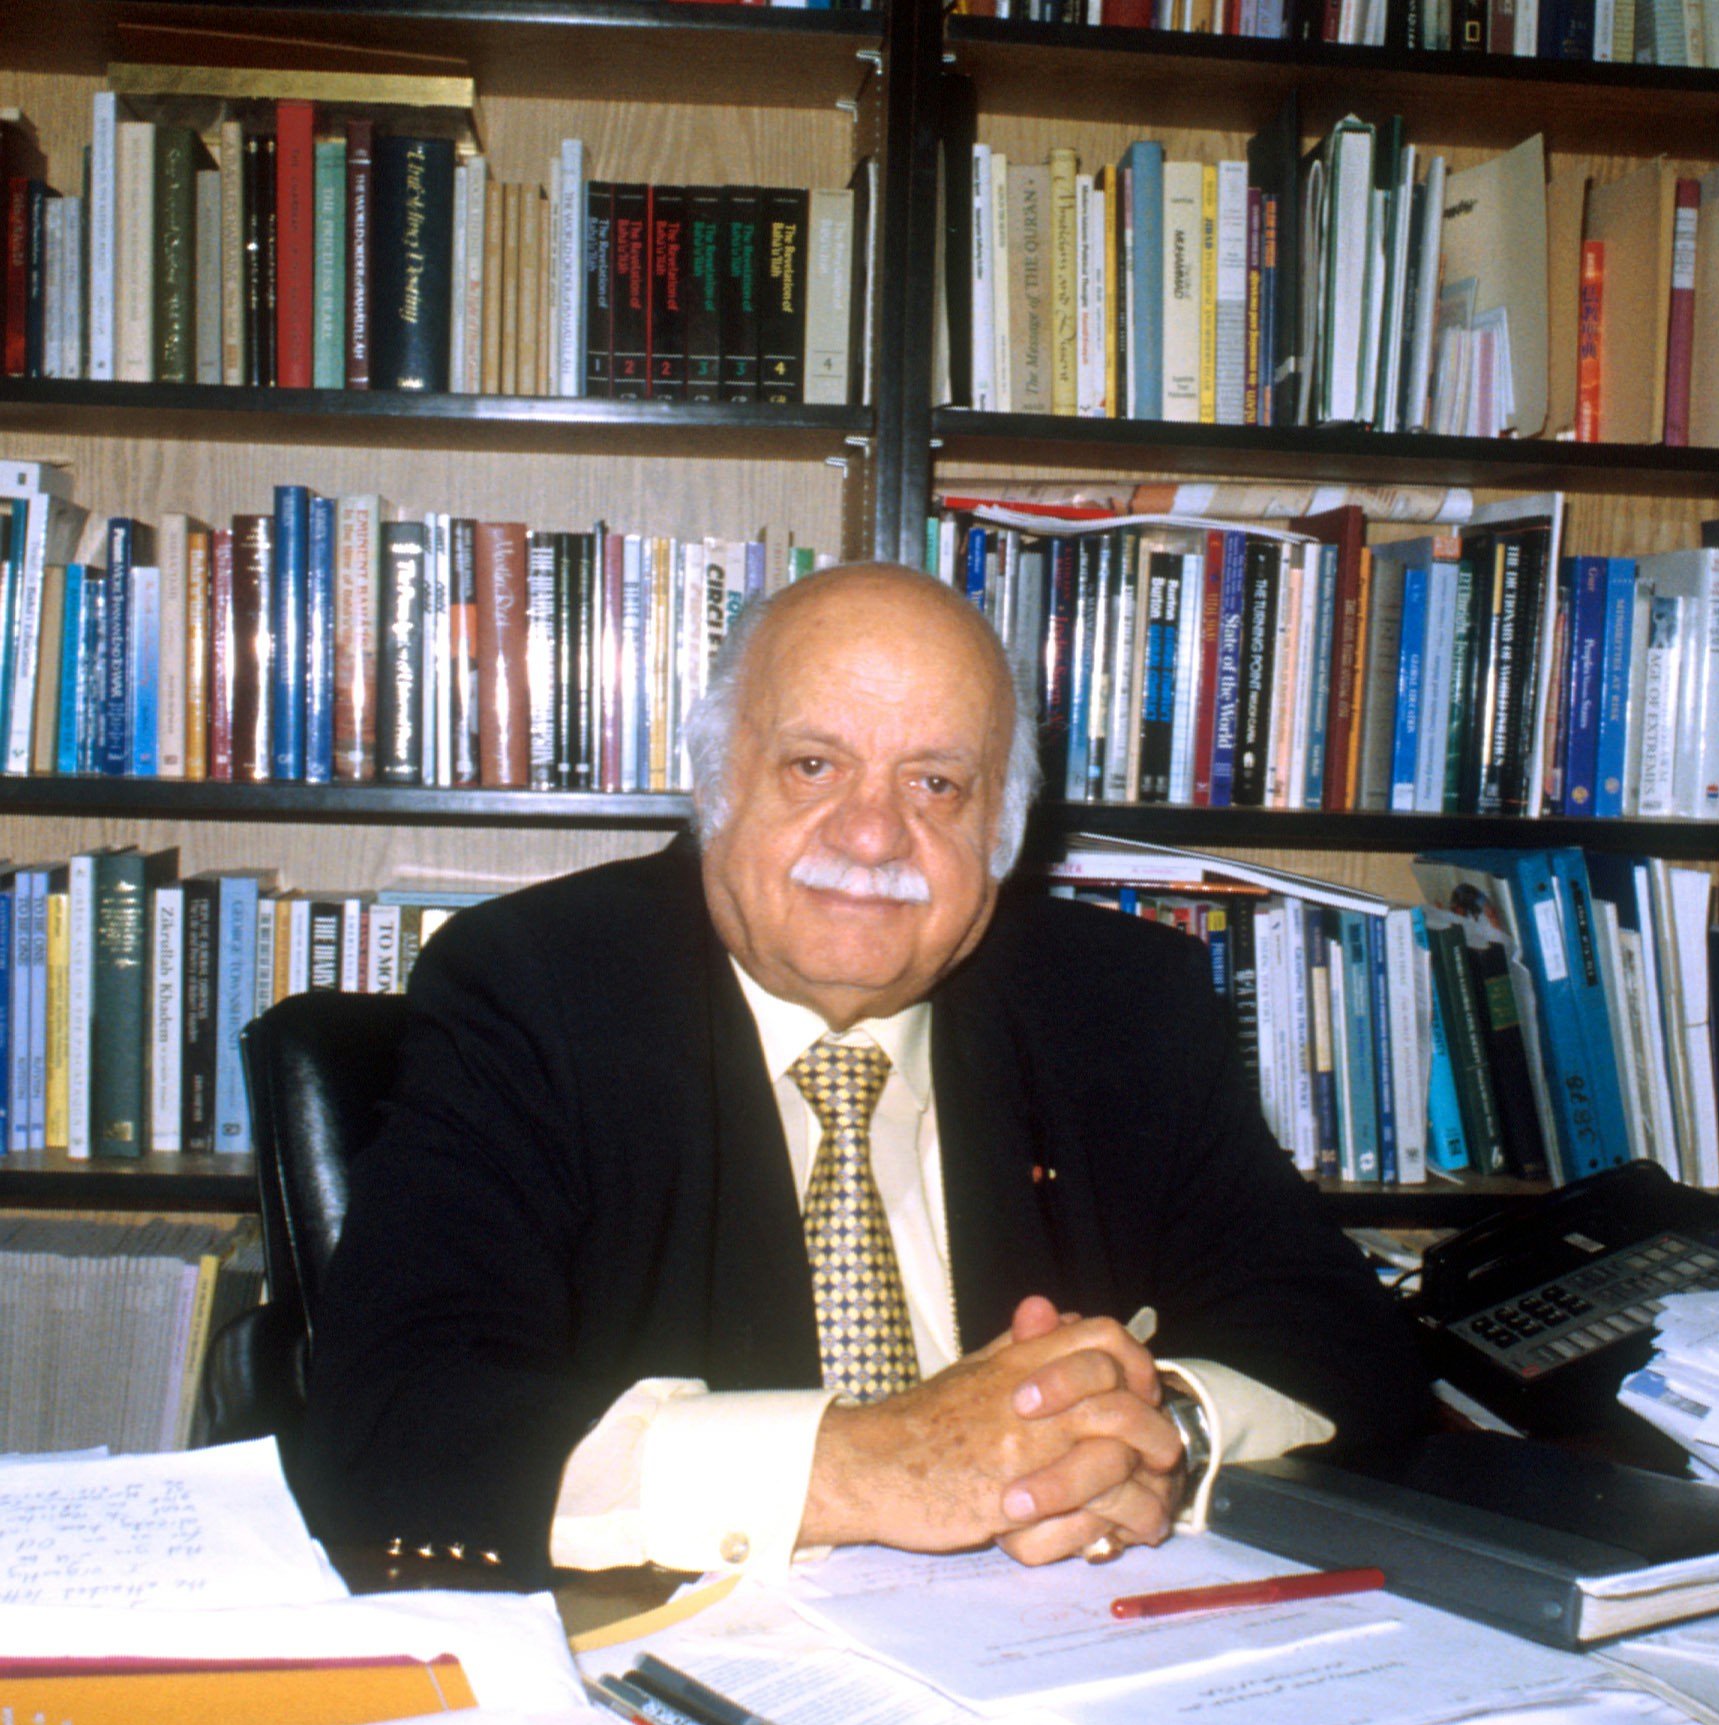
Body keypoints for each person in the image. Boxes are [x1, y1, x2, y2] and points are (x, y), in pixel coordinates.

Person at [295, 563, 1431, 1586]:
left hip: (1057, 1650)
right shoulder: (537, 989)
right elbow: (397, 1415)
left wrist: (1153, 1427)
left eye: (936, 783)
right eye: (813, 764)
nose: (875, 834)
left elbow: (1347, 1342)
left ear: (1003, 832)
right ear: (713, 790)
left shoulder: (1121, 1003)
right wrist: (857, 1466)